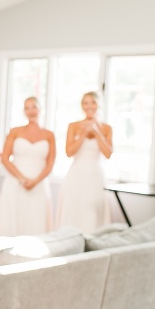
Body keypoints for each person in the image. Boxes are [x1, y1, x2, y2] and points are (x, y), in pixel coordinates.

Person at [0, 97, 56, 236]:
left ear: (40, 109)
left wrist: (35, 181)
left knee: (35, 219)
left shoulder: (49, 135)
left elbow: (50, 164)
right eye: (27, 108)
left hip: (39, 184)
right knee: (13, 219)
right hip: (15, 182)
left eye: (33, 107)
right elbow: (5, 158)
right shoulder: (15, 131)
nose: (31, 111)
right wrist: (22, 179)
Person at [55, 91, 113, 233]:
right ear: (82, 106)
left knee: (93, 209)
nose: (89, 106)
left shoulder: (106, 128)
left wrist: (97, 132)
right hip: (76, 174)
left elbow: (108, 154)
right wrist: (82, 135)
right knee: (75, 207)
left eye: (93, 102)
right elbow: (69, 153)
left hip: (95, 175)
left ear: (99, 105)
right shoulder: (73, 126)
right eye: (86, 103)